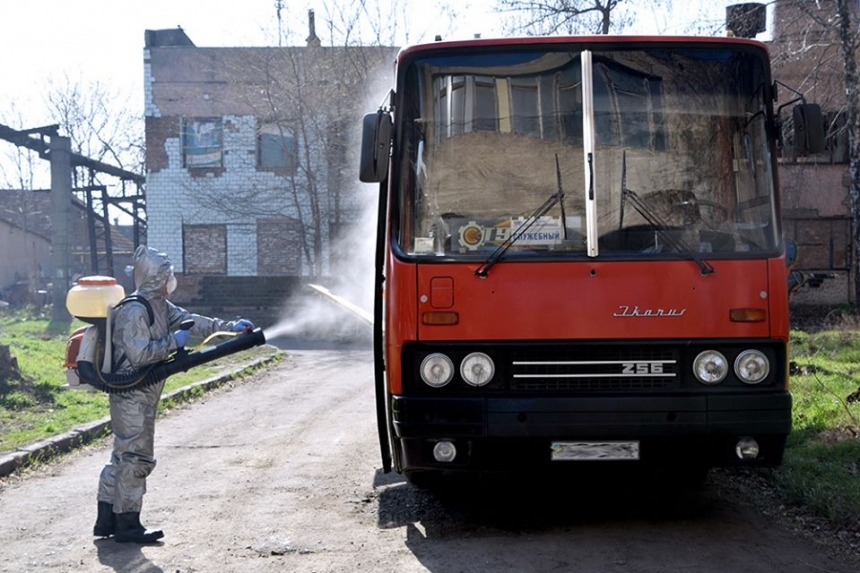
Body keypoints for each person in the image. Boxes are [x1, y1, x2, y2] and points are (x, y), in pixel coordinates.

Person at [93, 246, 254, 543]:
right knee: (136, 458)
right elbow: (139, 355)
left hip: (143, 393)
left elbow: (192, 321)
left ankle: (107, 520)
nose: (172, 279)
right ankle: (128, 524)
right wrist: (172, 342)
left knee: (122, 455)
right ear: (156, 277)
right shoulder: (134, 310)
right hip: (131, 394)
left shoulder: (160, 306)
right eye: (168, 274)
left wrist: (231, 328)